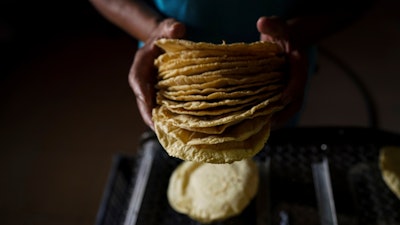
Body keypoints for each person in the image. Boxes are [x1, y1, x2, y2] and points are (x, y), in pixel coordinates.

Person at [89, 0, 375, 130]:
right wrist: (152, 32)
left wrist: (296, 35)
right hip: (171, 82)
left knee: (268, 162)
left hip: (276, 79)